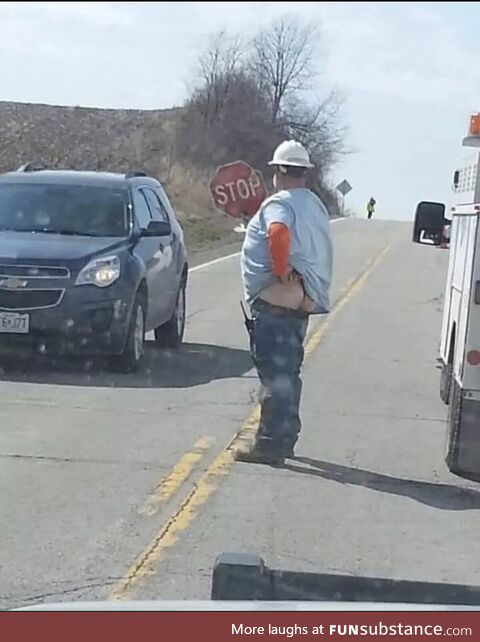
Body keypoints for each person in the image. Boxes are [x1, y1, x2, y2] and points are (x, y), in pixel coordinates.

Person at [236, 140, 333, 466]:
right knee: (289, 372)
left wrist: (280, 269)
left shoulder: (281, 203)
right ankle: (285, 436)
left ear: (278, 171)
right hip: (301, 300)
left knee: (275, 376)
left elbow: (278, 232)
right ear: (304, 172)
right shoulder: (315, 204)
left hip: (278, 300)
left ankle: (270, 443)